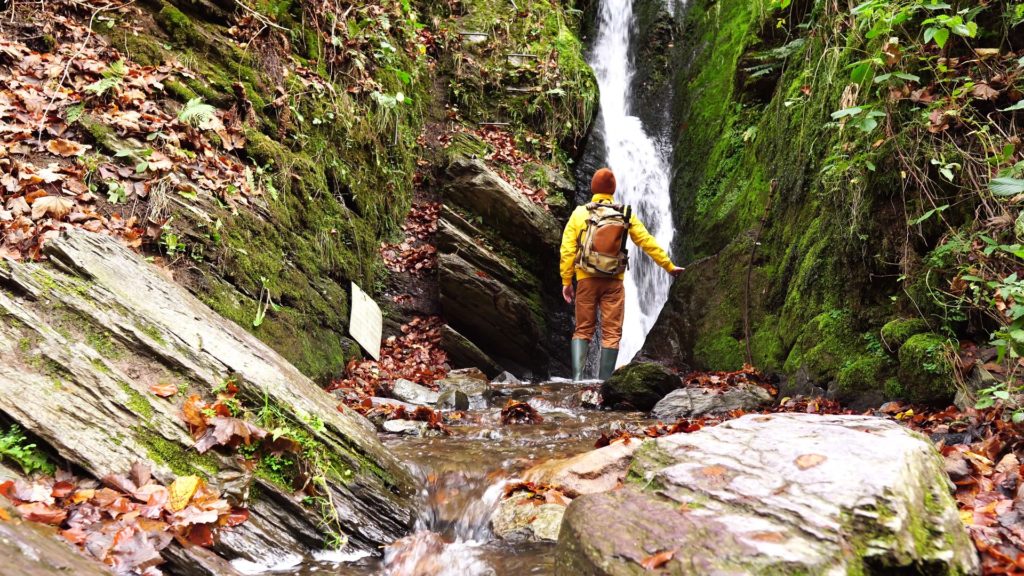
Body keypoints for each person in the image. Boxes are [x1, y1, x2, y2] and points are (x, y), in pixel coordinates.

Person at [559, 167, 682, 381]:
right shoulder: (625, 214)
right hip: (613, 282)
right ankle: (604, 382)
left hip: (586, 279)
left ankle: (577, 380)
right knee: (612, 332)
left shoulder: (580, 213)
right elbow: (647, 242)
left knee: (583, 329)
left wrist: (566, 280)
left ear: (592, 188)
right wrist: (668, 266)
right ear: (613, 190)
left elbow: (567, 249)